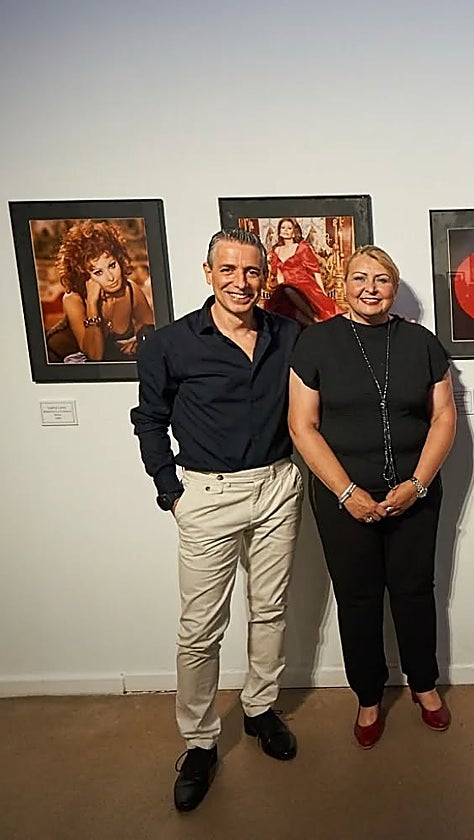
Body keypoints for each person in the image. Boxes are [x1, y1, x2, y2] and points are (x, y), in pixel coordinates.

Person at [131, 229, 304, 812]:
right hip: (206, 493)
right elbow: (149, 419)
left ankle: (259, 708)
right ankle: (201, 740)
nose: (241, 282)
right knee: (200, 628)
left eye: (252, 272)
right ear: (208, 272)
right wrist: (170, 491)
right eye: (228, 270)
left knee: (271, 609)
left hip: (279, 484)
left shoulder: (288, 335)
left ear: (264, 278)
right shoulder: (169, 343)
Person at [288, 245, 456, 749]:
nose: (371, 287)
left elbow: (444, 416)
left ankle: (424, 686)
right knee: (358, 598)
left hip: (416, 493)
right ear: (344, 285)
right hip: (342, 499)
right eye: (360, 278)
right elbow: (302, 425)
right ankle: (367, 696)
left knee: (414, 592)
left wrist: (418, 484)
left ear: (394, 287)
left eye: (382, 279)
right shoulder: (315, 344)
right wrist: (347, 492)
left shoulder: (421, 342)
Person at [47, 220, 155, 362]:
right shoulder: (73, 299)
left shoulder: (131, 290)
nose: (111, 277)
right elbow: (94, 356)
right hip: (56, 364)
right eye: (98, 272)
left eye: (112, 265)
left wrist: (142, 341)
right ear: (84, 276)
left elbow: (157, 333)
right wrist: (92, 303)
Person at [265, 217, 343, 326]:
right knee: (285, 298)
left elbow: (315, 271)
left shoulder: (302, 247)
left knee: (289, 291)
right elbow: (279, 276)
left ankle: (314, 318)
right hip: (286, 286)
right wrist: (280, 291)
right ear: (279, 231)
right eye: (283, 228)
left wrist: (322, 292)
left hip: (304, 284)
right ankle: (313, 325)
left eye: (289, 228)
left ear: (294, 232)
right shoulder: (276, 251)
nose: (286, 230)